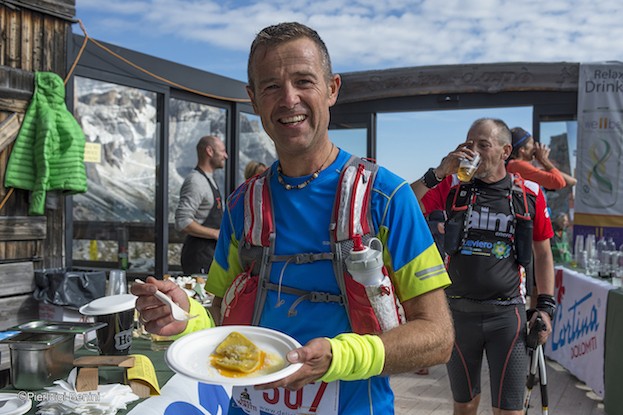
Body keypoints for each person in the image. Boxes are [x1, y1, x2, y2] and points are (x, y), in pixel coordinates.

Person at [133, 22, 454, 414]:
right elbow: (221, 317)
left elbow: (438, 336)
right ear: (253, 99)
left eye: (304, 81)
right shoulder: (242, 205)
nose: (289, 99)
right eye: (270, 86)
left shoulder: (387, 198)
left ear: (332, 88)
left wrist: (342, 357)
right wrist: (186, 316)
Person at [411, 118, 556, 415]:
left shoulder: (527, 192)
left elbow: (543, 253)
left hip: (507, 316)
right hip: (458, 314)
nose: (472, 150)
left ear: (505, 151)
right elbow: (403, 205)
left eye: (482, 145)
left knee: (509, 411)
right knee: (464, 406)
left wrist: (545, 306)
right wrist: (439, 172)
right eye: (469, 142)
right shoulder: (452, 186)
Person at [174, 135, 228, 274]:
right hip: (198, 258)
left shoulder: (208, 179)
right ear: (209, 151)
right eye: (222, 151)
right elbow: (182, 222)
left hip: (210, 255)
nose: (226, 156)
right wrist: (215, 233)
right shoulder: (195, 181)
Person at [506, 127, 577, 190]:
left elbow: (572, 181)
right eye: (532, 143)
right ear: (522, 150)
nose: (535, 147)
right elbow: (559, 182)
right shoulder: (517, 165)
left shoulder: (517, 166)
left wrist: (545, 164)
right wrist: (544, 160)